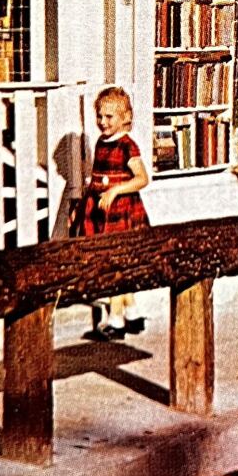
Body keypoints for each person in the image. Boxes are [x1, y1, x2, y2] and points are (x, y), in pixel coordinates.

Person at [81, 84, 150, 341]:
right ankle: (132, 313)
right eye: (99, 116)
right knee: (112, 260)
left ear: (125, 118)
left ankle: (116, 319)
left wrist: (115, 191)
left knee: (118, 264)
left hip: (121, 210)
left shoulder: (127, 146)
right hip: (101, 211)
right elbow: (98, 177)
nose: (102, 122)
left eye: (109, 117)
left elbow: (142, 179)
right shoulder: (101, 142)